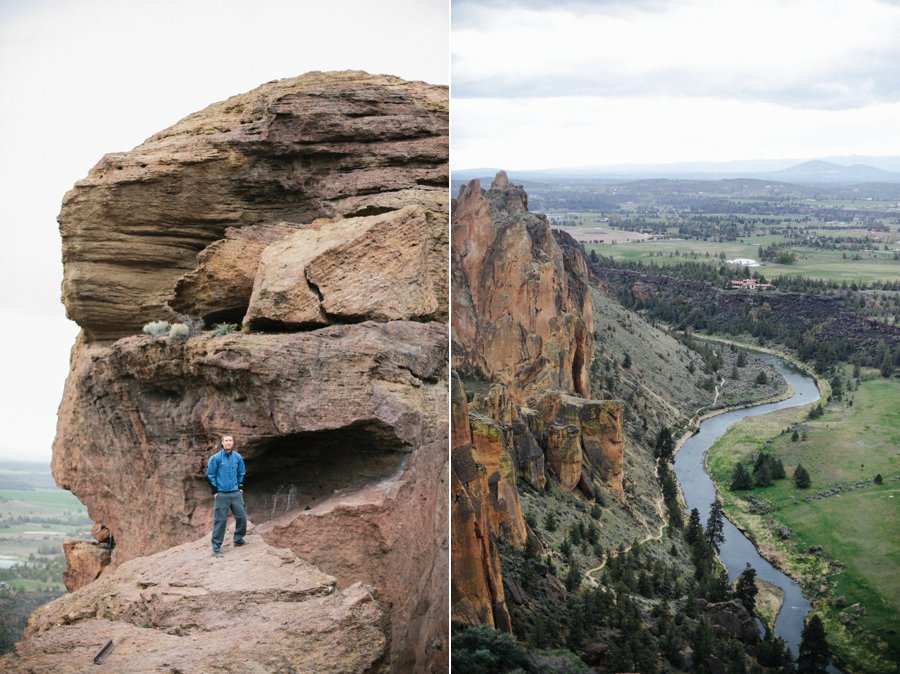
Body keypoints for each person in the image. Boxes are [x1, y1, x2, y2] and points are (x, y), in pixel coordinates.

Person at [206, 435, 247, 557]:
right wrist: (215, 491)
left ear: (233, 443)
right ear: (222, 443)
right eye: (226, 441)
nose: (228, 443)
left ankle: (238, 539)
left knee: (242, 517)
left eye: (230, 440)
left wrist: (240, 488)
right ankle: (216, 548)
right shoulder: (216, 458)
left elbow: (241, 473)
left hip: (235, 493)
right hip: (222, 494)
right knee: (220, 521)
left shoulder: (238, 457)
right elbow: (210, 475)